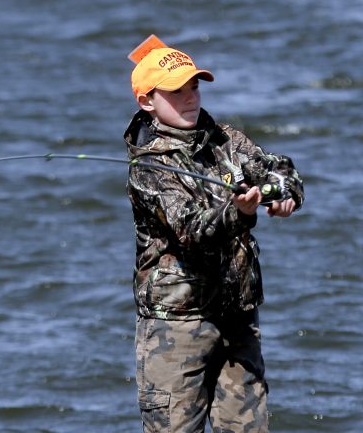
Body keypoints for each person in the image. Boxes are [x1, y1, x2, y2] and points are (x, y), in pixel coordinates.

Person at [123, 34, 304, 432]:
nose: (190, 98)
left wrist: (281, 194)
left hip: (238, 317)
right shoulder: (148, 169)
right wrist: (238, 212)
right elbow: (192, 229)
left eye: (194, 87)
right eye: (176, 92)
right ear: (147, 101)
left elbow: (282, 167)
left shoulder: (228, 141)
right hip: (176, 328)